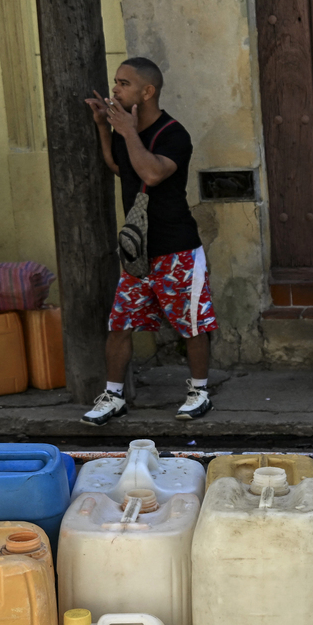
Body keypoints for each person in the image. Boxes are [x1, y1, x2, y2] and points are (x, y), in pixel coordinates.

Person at [81, 57, 213, 425]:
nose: (115, 90)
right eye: (116, 82)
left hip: (177, 248)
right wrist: (105, 130)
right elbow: (121, 169)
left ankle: (200, 391)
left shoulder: (174, 134)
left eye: (123, 83)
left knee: (193, 323)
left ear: (147, 91)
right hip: (138, 252)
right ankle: (114, 395)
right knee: (120, 322)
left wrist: (126, 132)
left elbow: (152, 173)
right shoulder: (128, 131)